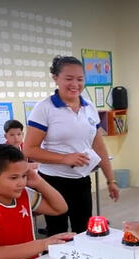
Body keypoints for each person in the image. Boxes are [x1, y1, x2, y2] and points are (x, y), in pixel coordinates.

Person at [24, 55, 119, 236]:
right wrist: (64, 158)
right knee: (58, 233)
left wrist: (110, 179)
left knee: (84, 230)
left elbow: (99, 146)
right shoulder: (44, 108)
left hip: (81, 179)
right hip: (53, 181)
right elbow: (29, 150)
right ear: (56, 78)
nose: (75, 84)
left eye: (80, 79)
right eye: (68, 79)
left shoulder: (89, 107)